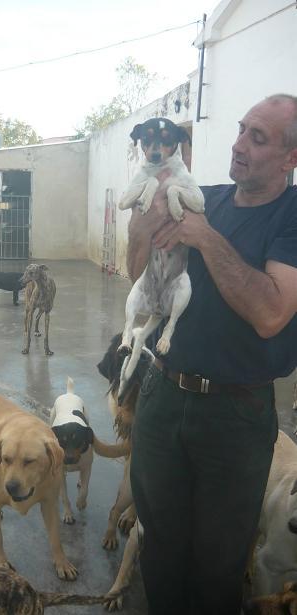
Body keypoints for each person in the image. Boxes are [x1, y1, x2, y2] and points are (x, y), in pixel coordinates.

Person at [127, 94, 297, 615]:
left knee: (219, 560)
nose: (239, 143)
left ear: (291, 158)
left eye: (258, 138)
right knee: (159, 542)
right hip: (163, 395)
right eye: (242, 129)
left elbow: (271, 312)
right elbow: (139, 269)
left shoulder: (289, 217)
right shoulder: (207, 196)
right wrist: (143, 216)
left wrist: (204, 237)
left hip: (234, 414)